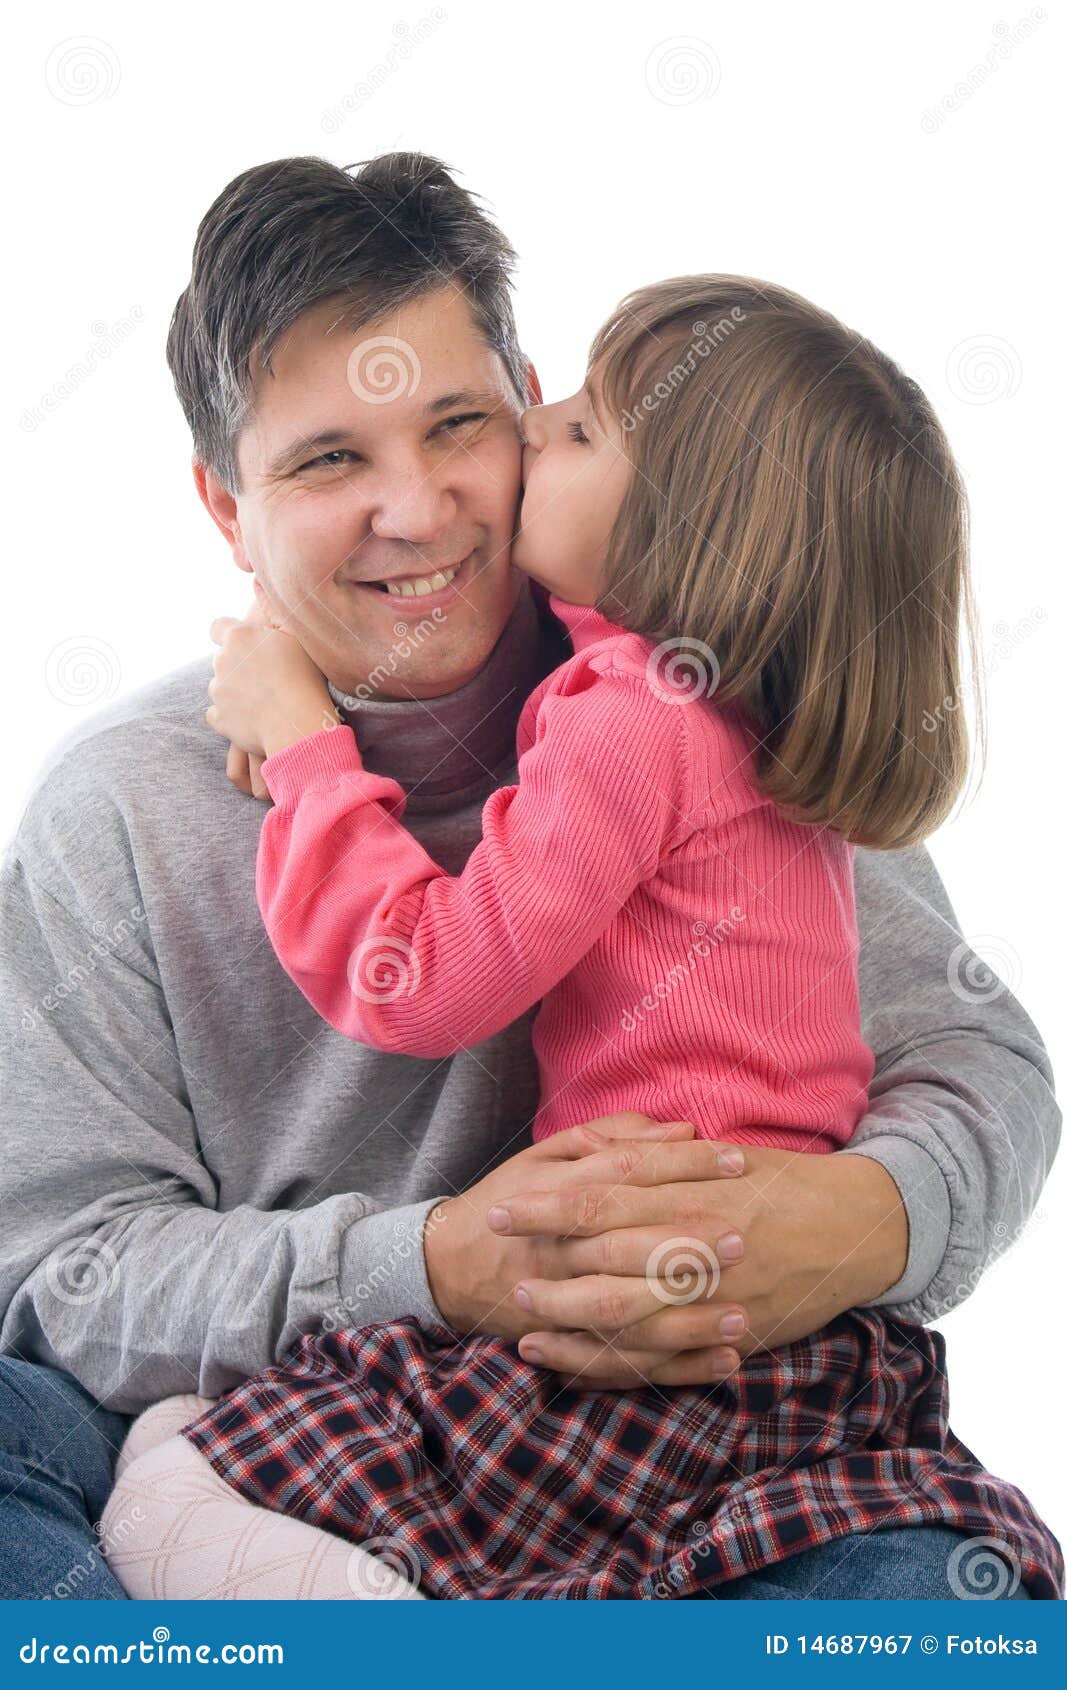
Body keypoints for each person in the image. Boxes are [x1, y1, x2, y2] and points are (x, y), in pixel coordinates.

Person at [0, 154, 1058, 1601]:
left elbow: (984, 1068)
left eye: (462, 426)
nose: (420, 509)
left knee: (936, 1587)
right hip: (341, 1412)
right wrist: (429, 1265)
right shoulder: (118, 810)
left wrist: (853, 1217)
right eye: (329, 460)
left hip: (705, 1412)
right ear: (224, 508)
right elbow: (61, 1277)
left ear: (531, 413)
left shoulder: (704, 682)